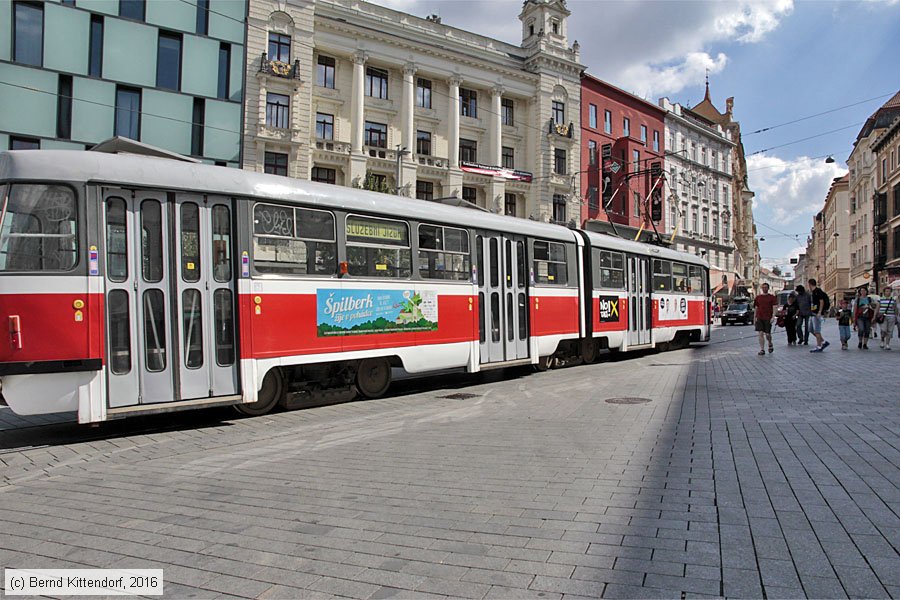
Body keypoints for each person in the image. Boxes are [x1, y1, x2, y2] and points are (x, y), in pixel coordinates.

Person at [753, 282, 778, 356]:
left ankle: (770, 343)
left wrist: (773, 316)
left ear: (768, 288)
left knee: (767, 334)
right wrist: (754, 318)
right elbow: (756, 308)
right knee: (760, 333)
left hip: (768, 317)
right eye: (763, 287)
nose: (764, 289)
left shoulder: (772, 297)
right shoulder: (758, 297)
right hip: (760, 317)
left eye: (766, 287)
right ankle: (762, 349)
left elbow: (775, 307)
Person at [808, 278, 831, 352]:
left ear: (810, 284)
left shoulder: (818, 291)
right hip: (812, 313)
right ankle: (823, 342)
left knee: (817, 330)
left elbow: (821, 301)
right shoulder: (812, 292)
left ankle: (819, 346)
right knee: (810, 329)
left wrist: (820, 312)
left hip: (817, 314)